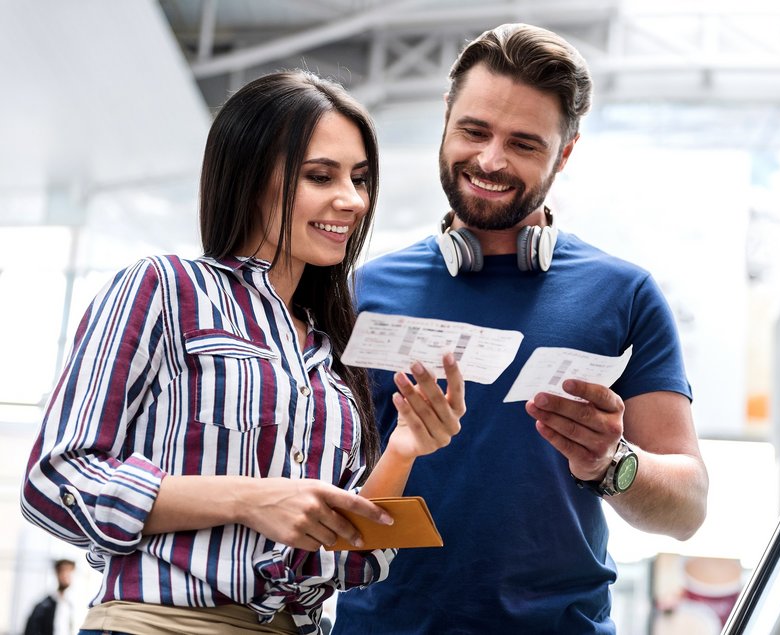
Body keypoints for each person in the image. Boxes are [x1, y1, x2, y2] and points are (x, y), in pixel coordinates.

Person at [20, 70, 465, 635]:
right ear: (251, 178)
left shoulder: (333, 349)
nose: (351, 200)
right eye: (320, 176)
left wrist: (404, 448)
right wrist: (247, 500)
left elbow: (354, 560)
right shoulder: (164, 288)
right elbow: (54, 482)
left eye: (359, 178)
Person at [333, 23, 709, 634]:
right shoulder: (360, 292)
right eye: (474, 131)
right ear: (446, 119)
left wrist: (611, 462)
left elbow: (687, 510)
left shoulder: (624, 295)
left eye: (524, 144)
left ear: (565, 153)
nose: (490, 160)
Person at [23, 558, 76, 635]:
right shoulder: (43, 606)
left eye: (69, 571)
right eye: (63, 571)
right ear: (57, 574)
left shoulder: (74, 604)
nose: (65, 575)